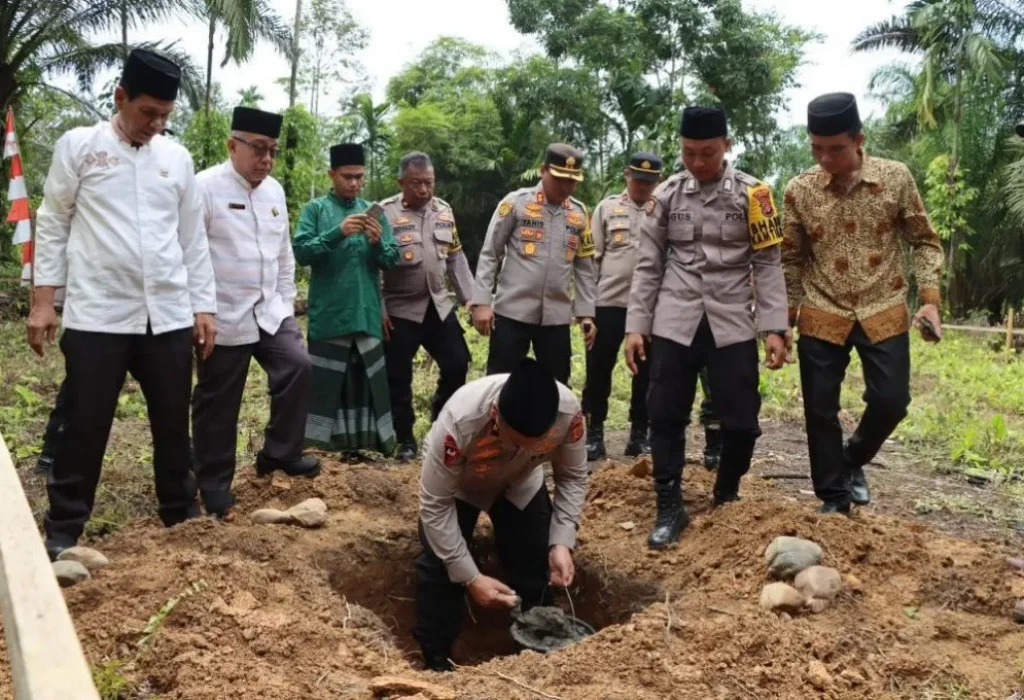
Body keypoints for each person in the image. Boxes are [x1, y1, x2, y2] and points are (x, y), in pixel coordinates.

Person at [28, 48, 216, 560]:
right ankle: (65, 527)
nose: (156, 124)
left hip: (168, 316)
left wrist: (204, 306)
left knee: (174, 422)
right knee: (85, 424)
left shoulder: (176, 160)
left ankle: (181, 515)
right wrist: (44, 301)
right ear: (120, 97)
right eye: (147, 112)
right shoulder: (79, 148)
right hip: (98, 315)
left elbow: (192, 240)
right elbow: (53, 221)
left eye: (165, 116)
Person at [625, 106, 789, 549]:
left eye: (708, 153)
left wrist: (775, 326)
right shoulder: (667, 194)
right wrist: (636, 325)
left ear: (727, 146)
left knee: (740, 422)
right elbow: (648, 264)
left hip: (732, 321)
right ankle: (668, 506)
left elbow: (768, 263)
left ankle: (727, 493)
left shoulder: (755, 195)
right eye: (689, 153)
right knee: (665, 415)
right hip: (675, 320)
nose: (698, 163)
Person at [782, 93, 944, 514]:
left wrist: (930, 300)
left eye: (835, 148)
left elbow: (924, 241)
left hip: (883, 305)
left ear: (859, 140)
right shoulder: (799, 190)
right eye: (816, 148)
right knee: (820, 410)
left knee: (892, 400)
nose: (824, 158)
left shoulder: (896, 178)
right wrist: (784, 316)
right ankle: (833, 499)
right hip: (822, 308)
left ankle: (852, 460)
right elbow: (791, 259)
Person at [414, 357, 588, 672]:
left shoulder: (569, 414)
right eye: (519, 441)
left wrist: (562, 540)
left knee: (535, 559)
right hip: (461, 486)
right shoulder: (460, 421)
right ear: (496, 417)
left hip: (520, 481)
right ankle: (437, 661)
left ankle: (537, 659)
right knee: (439, 570)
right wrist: (469, 576)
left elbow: (572, 478)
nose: (531, 446)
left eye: (538, 443)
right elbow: (435, 505)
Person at [191, 106, 319, 520]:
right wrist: (200, 309)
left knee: (298, 366)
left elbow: (283, 253)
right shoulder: (205, 187)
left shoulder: (275, 191)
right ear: (233, 145)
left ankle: (279, 454)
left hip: (269, 310)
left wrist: (284, 301)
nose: (266, 159)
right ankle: (213, 487)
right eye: (258, 149)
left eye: (273, 151)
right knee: (219, 402)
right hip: (222, 314)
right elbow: (189, 252)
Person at [293, 143, 399, 459]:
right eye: (347, 177)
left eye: (359, 177)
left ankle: (361, 449)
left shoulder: (374, 213)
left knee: (363, 384)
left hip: (366, 313)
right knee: (327, 385)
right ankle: (319, 451)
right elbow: (301, 252)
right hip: (330, 315)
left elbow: (392, 260)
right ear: (332, 174)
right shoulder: (316, 210)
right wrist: (337, 233)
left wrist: (378, 242)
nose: (354, 183)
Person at [471, 143, 598, 384]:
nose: (566, 187)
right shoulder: (516, 203)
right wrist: (482, 304)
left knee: (556, 385)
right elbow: (490, 253)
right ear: (543, 170)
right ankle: (494, 423)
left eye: (572, 181)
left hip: (556, 318)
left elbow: (584, 268)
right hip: (511, 313)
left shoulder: (579, 214)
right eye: (560, 179)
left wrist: (586, 314)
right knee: (499, 382)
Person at [380, 152, 474, 463]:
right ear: (401, 182)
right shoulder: (384, 213)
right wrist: (378, 308)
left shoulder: (444, 211)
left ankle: (439, 426)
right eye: (416, 183)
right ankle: (404, 438)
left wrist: (470, 299)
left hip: (438, 304)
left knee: (458, 362)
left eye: (429, 183)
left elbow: (455, 258)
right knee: (397, 375)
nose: (424, 190)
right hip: (399, 308)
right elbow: (372, 267)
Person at [582, 152, 662, 461]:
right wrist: (587, 311)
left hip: (647, 309)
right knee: (598, 370)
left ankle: (639, 434)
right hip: (608, 304)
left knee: (646, 374)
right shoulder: (606, 208)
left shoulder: (662, 211)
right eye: (639, 180)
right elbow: (590, 262)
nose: (644, 187)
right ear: (627, 175)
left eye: (650, 182)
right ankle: (595, 432)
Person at [669, 156, 722, 471]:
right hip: (676, 313)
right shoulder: (665, 214)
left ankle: (714, 446)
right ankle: (670, 452)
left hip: (717, 314)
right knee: (672, 386)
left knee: (716, 384)